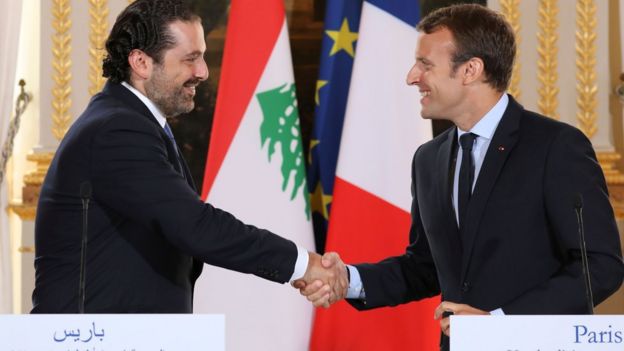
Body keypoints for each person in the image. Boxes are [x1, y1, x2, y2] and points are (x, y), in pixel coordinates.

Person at [299, 4, 624, 350]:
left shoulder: (555, 146)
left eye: (425, 64)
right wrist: (347, 280)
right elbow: (424, 267)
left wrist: (499, 324)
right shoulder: (428, 159)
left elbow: (600, 266)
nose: (412, 76)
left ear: (470, 70)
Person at [31, 0, 346, 313]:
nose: (203, 72)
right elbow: (195, 226)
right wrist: (302, 264)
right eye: (190, 59)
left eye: (203, 57)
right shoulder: (117, 130)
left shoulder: (131, 122)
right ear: (141, 62)